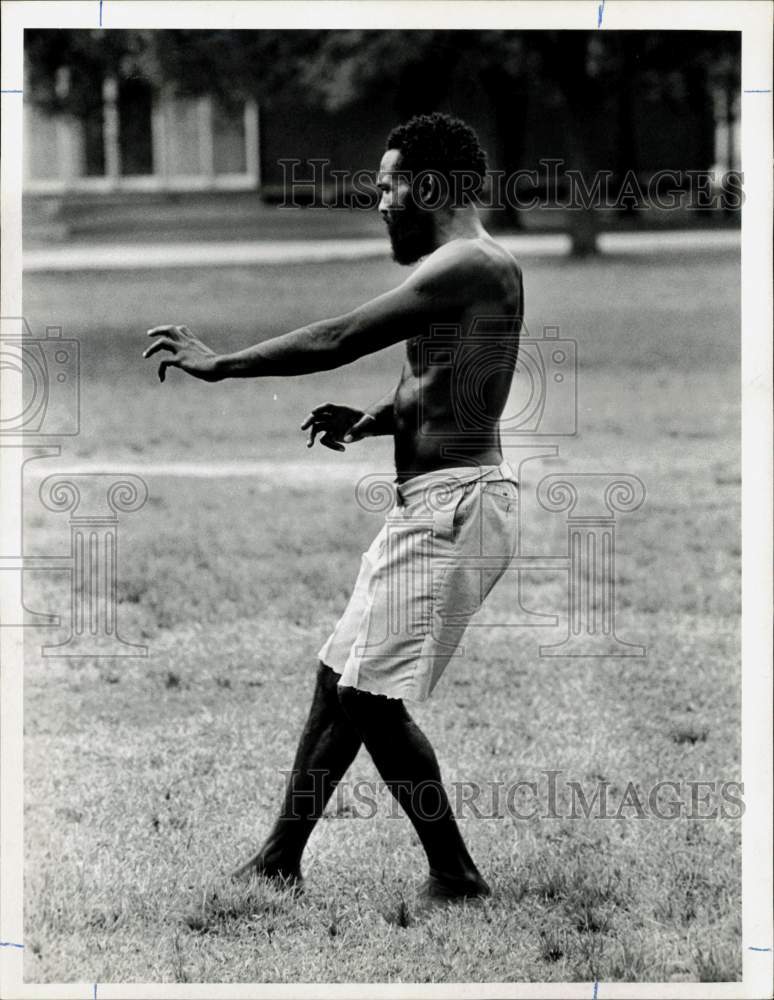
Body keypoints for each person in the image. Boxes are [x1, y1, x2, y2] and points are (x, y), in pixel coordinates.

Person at [143, 113, 523, 904]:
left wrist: (220, 365)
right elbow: (444, 385)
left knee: (367, 698)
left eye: (389, 186)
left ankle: (456, 876)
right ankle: (280, 859)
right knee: (335, 677)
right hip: (431, 504)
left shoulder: (471, 264)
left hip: (455, 510)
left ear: (428, 187)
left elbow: (341, 335)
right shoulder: (463, 271)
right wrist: (370, 420)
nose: (380, 201)